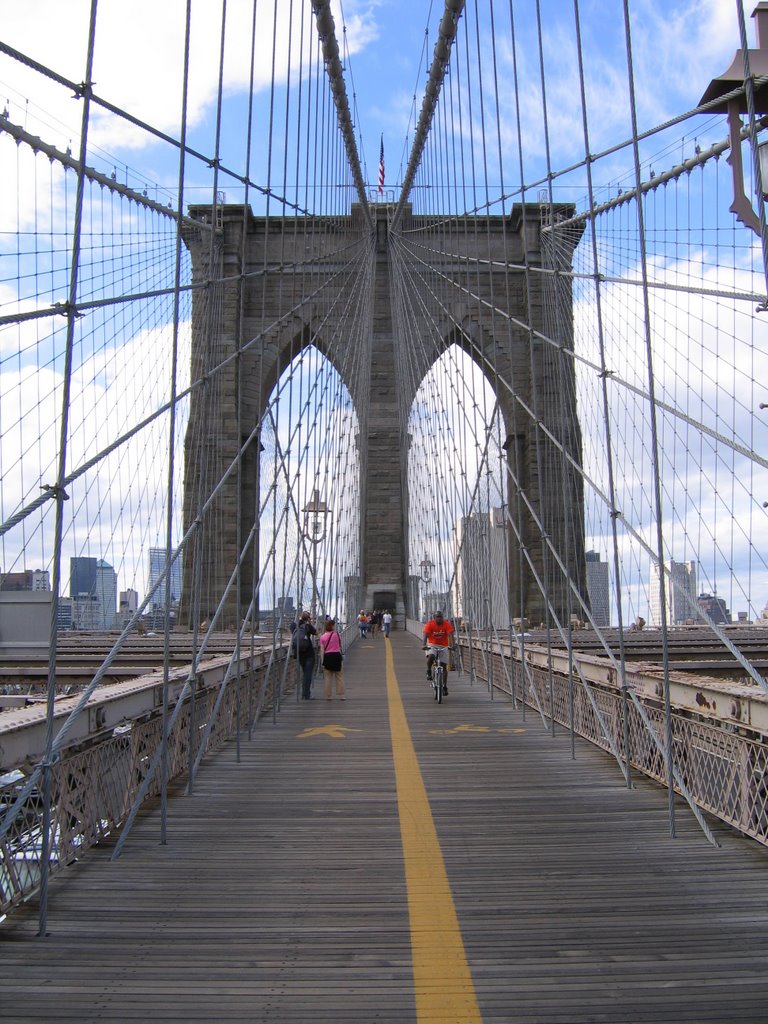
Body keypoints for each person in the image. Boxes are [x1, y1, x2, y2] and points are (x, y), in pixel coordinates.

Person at [422, 609, 454, 695]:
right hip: (432, 644)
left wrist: (452, 645)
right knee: (431, 656)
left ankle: (444, 686)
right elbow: (425, 634)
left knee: (444, 667)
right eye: (437, 617)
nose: (439, 619)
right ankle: (429, 670)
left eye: (440, 617)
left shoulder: (446, 624)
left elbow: (450, 634)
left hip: (443, 646)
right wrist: (424, 644)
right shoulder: (430, 624)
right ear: (434, 618)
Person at [291, 611, 317, 700]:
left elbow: (292, 631)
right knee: (308, 675)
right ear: (308, 618)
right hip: (309, 653)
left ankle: (304, 693)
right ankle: (306, 694)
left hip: (299, 654)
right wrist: (309, 623)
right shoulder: (308, 626)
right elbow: (316, 633)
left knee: (304, 673)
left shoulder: (294, 626)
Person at [319, 618, 345, 700]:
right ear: (332, 626)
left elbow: (322, 650)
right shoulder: (337, 634)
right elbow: (340, 645)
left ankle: (328, 696)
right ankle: (342, 695)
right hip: (337, 656)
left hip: (328, 656)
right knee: (339, 676)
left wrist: (322, 661)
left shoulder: (322, 637)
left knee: (328, 677)